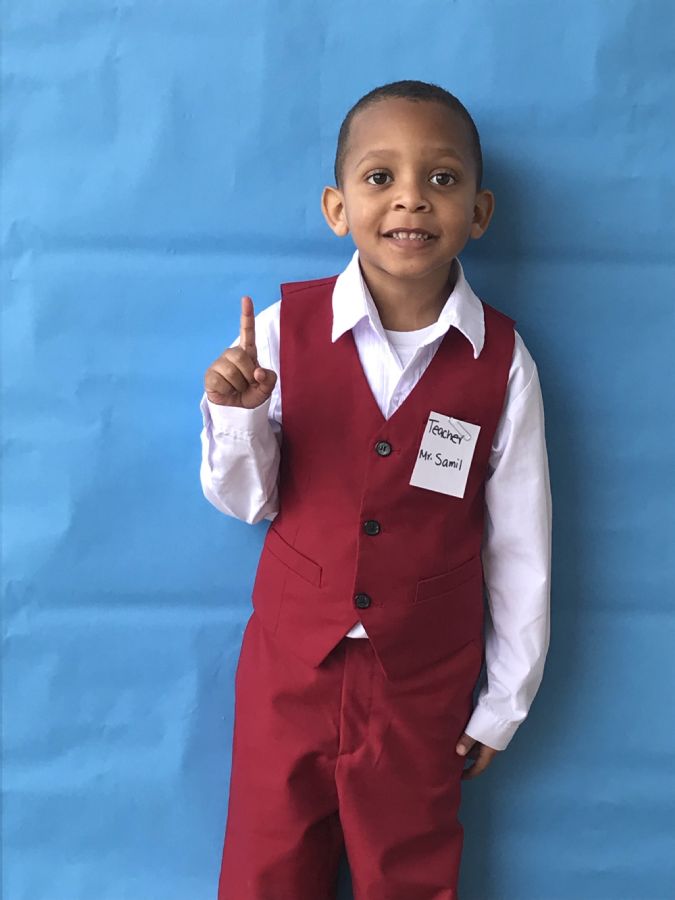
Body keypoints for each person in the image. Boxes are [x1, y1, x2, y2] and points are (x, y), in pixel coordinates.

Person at [200, 79, 552, 900]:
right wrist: (238, 416)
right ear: (337, 208)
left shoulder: (502, 360)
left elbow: (520, 542)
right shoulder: (279, 334)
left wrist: (504, 700)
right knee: (265, 867)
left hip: (420, 681)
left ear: (479, 212)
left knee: (410, 872)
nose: (410, 199)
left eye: (441, 179)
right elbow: (245, 502)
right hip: (290, 670)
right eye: (379, 177)